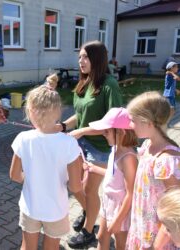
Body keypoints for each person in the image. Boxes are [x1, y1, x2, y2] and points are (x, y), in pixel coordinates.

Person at [57, 41, 122, 248]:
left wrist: (82, 131)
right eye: (79, 57)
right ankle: (89, 213)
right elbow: (80, 114)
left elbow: (114, 123)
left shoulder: (109, 85)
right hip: (81, 144)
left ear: (97, 59)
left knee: (88, 189)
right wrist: (63, 126)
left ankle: (88, 232)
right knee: (75, 185)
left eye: (85, 57)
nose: (81, 61)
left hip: (101, 148)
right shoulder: (84, 82)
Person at [9, 84, 82, 250]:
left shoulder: (23, 138)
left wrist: (30, 180)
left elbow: (14, 175)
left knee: (27, 246)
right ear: (58, 111)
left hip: (30, 206)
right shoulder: (69, 143)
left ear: (30, 112)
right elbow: (75, 186)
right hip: (56, 209)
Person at [126, 91, 180, 249]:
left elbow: (175, 211)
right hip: (142, 230)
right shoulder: (147, 147)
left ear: (148, 123)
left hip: (157, 240)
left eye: (133, 121)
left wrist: (157, 245)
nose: (130, 125)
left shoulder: (166, 161)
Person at [84, 108, 138, 250]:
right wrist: (95, 169)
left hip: (121, 209)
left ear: (121, 132)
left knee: (121, 244)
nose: (103, 134)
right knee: (101, 236)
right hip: (108, 202)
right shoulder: (114, 148)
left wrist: (118, 220)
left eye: (107, 131)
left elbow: (130, 193)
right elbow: (114, 174)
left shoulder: (128, 158)